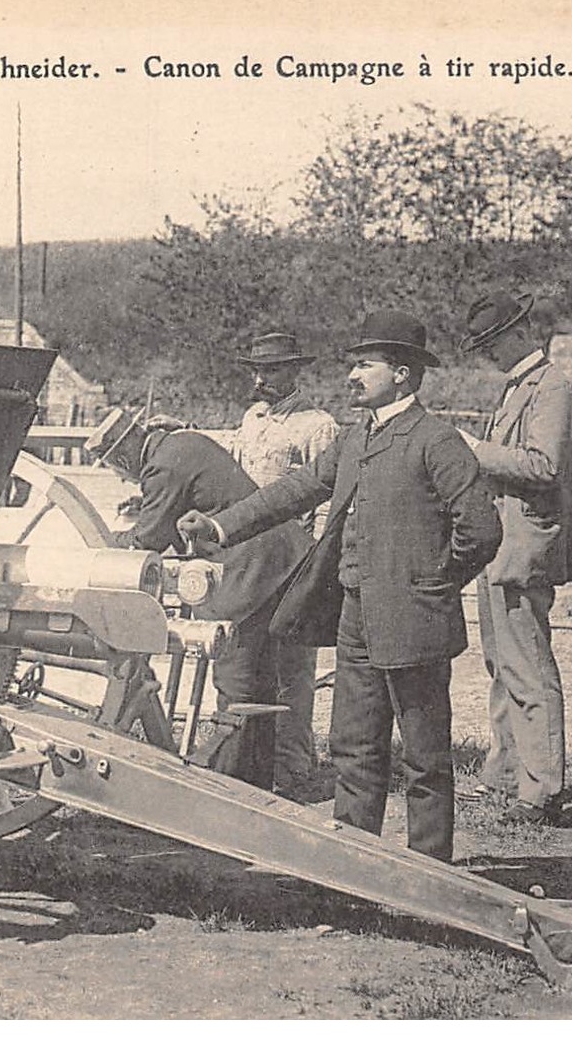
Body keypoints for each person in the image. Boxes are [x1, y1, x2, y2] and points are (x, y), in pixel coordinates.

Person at [179, 311, 501, 861]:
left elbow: (482, 529)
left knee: (424, 755)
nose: (352, 375)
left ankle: (428, 872)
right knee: (354, 747)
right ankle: (353, 868)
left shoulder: (437, 441)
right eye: (353, 364)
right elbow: (297, 489)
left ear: (402, 373)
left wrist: (432, 583)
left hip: (414, 621)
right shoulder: (355, 438)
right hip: (355, 617)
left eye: (364, 365)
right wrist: (220, 525)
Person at [84, 406, 310, 790]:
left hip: (249, 571)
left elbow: (148, 541)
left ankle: (231, 786)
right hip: (281, 561)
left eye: (115, 470)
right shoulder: (183, 443)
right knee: (261, 678)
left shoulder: (160, 470)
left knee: (235, 676)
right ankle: (258, 779)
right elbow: (194, 506)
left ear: (123, 455)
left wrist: (106, 544)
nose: (122, 480)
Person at [453, 291, 572, 826]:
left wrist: (473, 450)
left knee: (528, 665)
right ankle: (505, 774)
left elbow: (544, 466)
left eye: (492, 343)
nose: (488, 354)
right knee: (502, 663)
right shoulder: (520, 388)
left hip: (525, 547)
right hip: (501, 545)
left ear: (520, 333)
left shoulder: (554, 388)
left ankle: (540, 791)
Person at [229, 332, 340, 798]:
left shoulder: (317, 426)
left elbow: (328, 500)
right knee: (245, 660)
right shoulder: (251, 420)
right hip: (249, 559)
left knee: (293, 667)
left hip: (295, 560)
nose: (261, 379)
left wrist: (313, 568)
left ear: (296, 372)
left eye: (271, 370)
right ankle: (242, 760)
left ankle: (294, 766)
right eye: (256, 370)